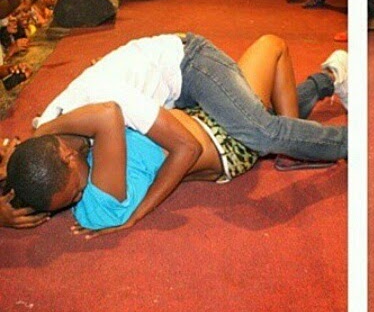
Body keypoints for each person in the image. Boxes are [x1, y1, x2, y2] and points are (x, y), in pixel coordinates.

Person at [2, 35, 348, 232]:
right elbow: (22, 164)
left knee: (262, 130)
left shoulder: (104, 105)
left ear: (66, 154)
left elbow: (185, 147)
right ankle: (328, 81)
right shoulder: (51, 147)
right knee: (256, 111)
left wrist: (137, 216)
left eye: (78, 189)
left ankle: (351, 140)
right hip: (196, 121)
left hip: (189, 64)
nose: (82, 195)